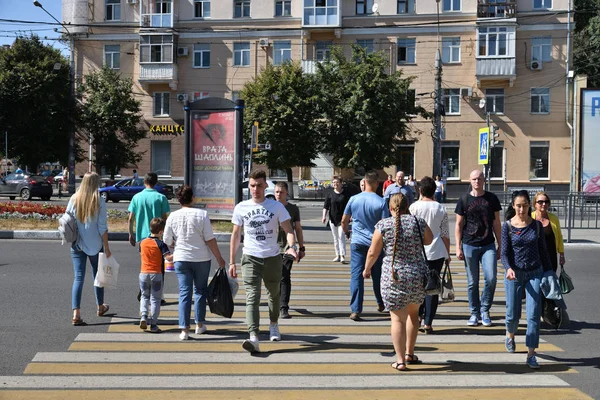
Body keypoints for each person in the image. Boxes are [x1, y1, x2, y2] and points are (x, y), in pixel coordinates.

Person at [229, 170, 298, 353]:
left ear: (265, 186)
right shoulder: (241, 207)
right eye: (252, 185)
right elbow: (236, 235)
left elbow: (289, 230)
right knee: (252, 297)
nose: (255, 189)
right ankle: (253, 337)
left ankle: (274, 324)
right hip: (250, 258)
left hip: (273, 258)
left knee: (274, 295)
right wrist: (231, 262)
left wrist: (292, 247)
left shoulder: (276, 207)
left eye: (259, 185)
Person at [363, 193, 433, 371]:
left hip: (393, 276)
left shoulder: (383, 225)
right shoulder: (417, 222)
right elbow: (429, 239)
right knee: (413, 315)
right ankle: (410, 353)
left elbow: (373, 252)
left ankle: (400, 360)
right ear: (407, 206)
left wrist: (367, 269)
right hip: (417, 276)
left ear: (390, 208)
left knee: (397, 319)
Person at [163, 185, 226, 340]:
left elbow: (166, 239)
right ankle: (199, 325)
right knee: (200, 291)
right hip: (201, 259)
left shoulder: (172, 216)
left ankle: (184, 329)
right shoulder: (202, 214)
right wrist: (219, 258)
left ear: (178, 200)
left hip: (181, 258)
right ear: (193, 198)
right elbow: (210, 239)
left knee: (184, 293)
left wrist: (175, 245)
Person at [501, 190, 552, 369]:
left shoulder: (536, 226)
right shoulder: (507, 226)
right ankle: (510, 334)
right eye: (518, 206)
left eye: (524, 205)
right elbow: (504, 253)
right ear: (513, 206)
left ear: (529, 205)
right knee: (512, 314)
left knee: (533, 315)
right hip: (514, 274)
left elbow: (543, 251)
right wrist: (508, 268)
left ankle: (531, 354)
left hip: (535, 273)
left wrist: (549, 273)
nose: (521, 209)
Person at [455, 169, 502, 327]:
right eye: (474, 179)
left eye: (480, 179)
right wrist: (458, 247)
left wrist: (500, 245)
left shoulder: (492, 199)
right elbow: (459, 224)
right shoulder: (463, 199)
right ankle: (474, 313)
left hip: (488, 244)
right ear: (470, 181)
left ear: (484, 180)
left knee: (491, 278)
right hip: (469, 245)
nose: (477, 181)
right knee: (472, 282)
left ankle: (485, 310)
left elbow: (496, 223)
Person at [67, 172, 111, 326]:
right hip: (96, 244)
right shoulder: (98, 200)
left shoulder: (74, 198)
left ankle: (76, 313)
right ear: (95, 183)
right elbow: (102, 227)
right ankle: (100, 307)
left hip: (77, 243)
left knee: (78, 278)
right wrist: (106, 247)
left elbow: (67, 219)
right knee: (98, 276)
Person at [341, 171, 386, 321]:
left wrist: (347, 231)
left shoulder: (354, 199)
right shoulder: (381, 202)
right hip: (376, 244)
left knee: (356, 276)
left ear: (365, 182)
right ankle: (381, 303)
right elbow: (385, 225)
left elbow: (344, 220)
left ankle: (355, 310)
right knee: (377, 276)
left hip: (358, 242)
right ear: (377, 184)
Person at [409, 177, 451, 334]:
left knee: (418, 286)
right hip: (437, 252)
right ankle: (428, 323)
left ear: (420, 190)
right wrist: (447, 255)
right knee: (433, 288)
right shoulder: (440, 209)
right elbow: (445, 235)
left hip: (418, 253)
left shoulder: (413, 208)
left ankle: (417, 318)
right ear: (435, 191)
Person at [128, 172, 170, 304]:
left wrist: (131, 234)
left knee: (145, 264)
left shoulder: (137, 197)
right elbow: (165, 218)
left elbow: (130, 219)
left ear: (144, 182)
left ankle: (144, 288)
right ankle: (159, 295)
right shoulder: (161, 197)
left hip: (142, 238)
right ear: (156, 182)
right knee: (159, 266)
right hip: (158, 237)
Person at [275, 182, 305, 319]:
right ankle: (275, 302)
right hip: (271, 249)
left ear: (286, 193)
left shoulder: (293, 209)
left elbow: (297, 229)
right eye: (276, 192)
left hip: (288, 248)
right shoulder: (269, 207)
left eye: (281, 192)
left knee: (284, 276)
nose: (278, 194)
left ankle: (283, 307)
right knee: (274, 278)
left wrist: (301, 247)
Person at [138, 217, 172, 333]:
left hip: (143, 273)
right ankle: (153, 324)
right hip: (156, 274)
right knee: (155, 299)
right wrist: (179, 252)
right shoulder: (161, 244)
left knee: (144, 296)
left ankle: (143, 316)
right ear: (161, 232)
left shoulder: (142, 242)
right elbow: (168, 258)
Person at [532, 192, 565, 273]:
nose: (544, 204)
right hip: (533, 257)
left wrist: (561, 254)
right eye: (540, 202)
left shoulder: (554, 218)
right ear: (534, 204)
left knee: (550, 282)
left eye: (546, 202)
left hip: (551, 256)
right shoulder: (530, 217)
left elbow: (559, 237)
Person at [322, 176, 351, 263]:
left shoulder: (345, 194)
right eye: (334, 182)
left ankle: (342, 255)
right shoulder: (330, 194)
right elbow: (326, 206)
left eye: (337, 182)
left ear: (341, 184)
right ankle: (337, 255)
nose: (335, 184)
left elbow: (349, 207)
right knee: (335, 238)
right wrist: (324, 216)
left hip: (342, 219)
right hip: (332, 219)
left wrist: (350, 216)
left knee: (341, 236)